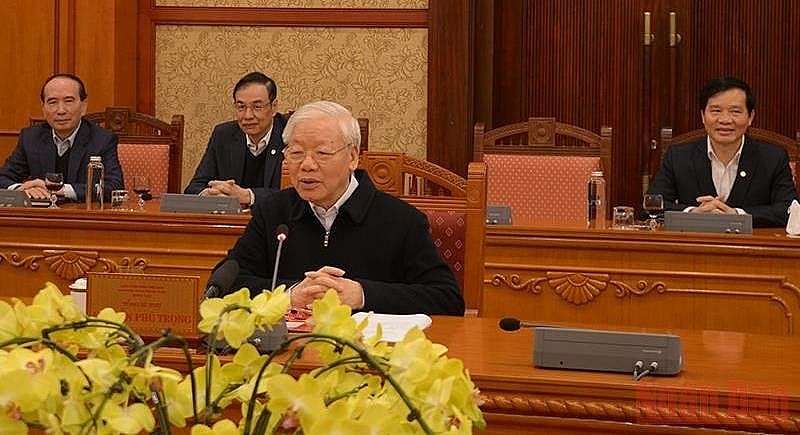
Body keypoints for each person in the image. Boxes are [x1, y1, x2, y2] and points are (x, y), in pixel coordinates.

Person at [221, 100, 464, 316]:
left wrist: (362, 294)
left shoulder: (401, 220)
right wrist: (291, 294)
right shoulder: (272, 212)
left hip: (367, 357)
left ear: (352, 157)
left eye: (322, 153)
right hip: (287, 355)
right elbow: (224, 285)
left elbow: (447, 299)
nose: (306, 165)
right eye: (296, 153)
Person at [647, 76, 797, 227]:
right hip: (697, 245)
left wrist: (737, 215)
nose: (725, 120)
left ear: (750, 117)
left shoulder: (773, 158)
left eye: (735, 111)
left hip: (751, 247)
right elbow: (650, 206)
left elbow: (790, 210)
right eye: (716, 110)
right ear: (703, 116)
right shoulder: (678, 156)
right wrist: (693, 213)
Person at [0, 73, 124, 202]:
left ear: (83, 106)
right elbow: (3, 177)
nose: (61, 110)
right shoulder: (31, 138)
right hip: (42, 218)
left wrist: (60, 189)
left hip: (83, 217)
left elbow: (114, 188)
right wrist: (22, 188)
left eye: (68, 101)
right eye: (52, 102)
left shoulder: (103, 140)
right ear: (43, 108)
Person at [184, 72, 289, 207]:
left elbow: (293, 194)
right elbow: (194, 187)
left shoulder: (289, 135)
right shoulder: (224, 135)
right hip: (231, 223)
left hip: (275, 223)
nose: (248, 115)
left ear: (274, 107)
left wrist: (248, 196)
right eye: (241, 107)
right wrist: (208, 194)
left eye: (257, 107)